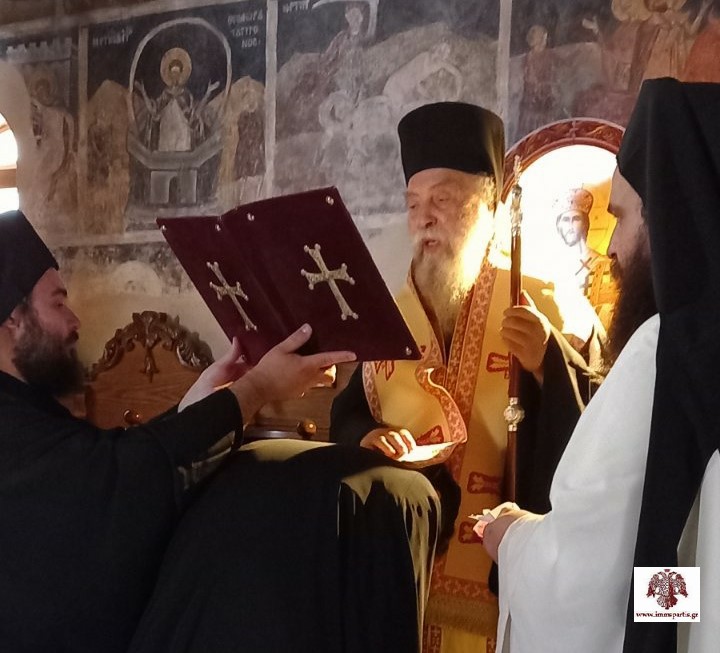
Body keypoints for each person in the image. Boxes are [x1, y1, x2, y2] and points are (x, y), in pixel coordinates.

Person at [0, 209, 357, 652]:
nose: (75, 322)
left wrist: (198, 402)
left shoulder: (22, 408)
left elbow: (108, 462)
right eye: (58, 303)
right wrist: (258, 388)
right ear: (14, 319)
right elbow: (116, 480)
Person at [330, 101, 602, 653]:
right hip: (404, 579)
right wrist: (368, 435)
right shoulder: (392, 315)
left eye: (442, 200)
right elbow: (349, 412)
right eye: (413, 204)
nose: (424, 218)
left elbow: (597, 429)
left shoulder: (546, 301)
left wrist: (547, 363)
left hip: (501, 585)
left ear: (487, 206)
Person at [481, 78, 720, 653]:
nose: (610, 248)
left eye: (622, 217)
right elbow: (682, 552)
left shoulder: (665, 353)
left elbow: (589, 578)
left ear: (668, 216)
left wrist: (511, 539)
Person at [553, 187, 615, 325]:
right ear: (559, 227)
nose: (570, 225)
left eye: (576, 219)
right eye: (565, 220)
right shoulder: (557, 272)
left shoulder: (606, 267)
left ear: (585, 224)